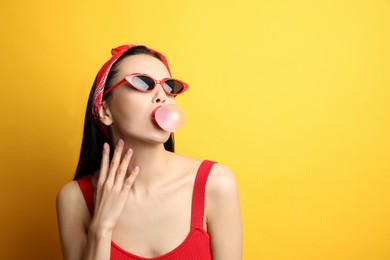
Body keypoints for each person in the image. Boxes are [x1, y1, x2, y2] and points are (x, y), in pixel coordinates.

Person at [56, 44, 242, 260]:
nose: (161, 96)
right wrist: (102, 228)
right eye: (142, 83)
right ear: (105, 111)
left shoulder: (216, 183)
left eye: (169, 87)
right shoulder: (74, 200)